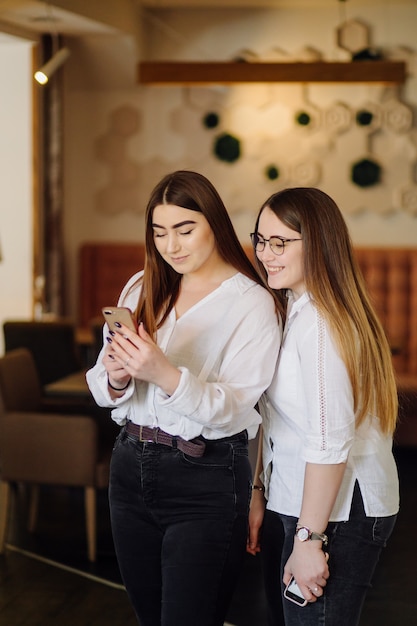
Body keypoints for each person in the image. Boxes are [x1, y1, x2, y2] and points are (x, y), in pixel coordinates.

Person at [86, 170, 281, 626]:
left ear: (214, 223)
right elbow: (102, 386)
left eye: (184, 230)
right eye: (159, 233)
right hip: (130, 468)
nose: (171, 246)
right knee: (148, 616)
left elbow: (235, 409)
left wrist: (166, 375)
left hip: (205, 477)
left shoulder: (252, 303)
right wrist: (117, 376)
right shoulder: (141, 285)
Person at [247, 187, 399, 626]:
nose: (265, 253)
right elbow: (276, 422)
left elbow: (330, 442)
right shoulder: (299, 304)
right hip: (303, 502)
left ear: (319, 244)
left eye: (281, 242)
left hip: (338, 514)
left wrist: (309, 539)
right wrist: (261, 493)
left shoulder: (321, 323)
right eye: (260, 239)